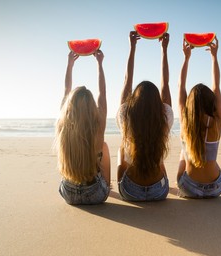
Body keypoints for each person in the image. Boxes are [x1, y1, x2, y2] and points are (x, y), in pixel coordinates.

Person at [117, 31, 173, 202]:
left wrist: (132, 48)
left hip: (130, 191)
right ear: (158, 103)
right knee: (158, 155)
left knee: (121, 150)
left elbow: (127, 81)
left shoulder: (125, 115)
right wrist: (164, 50)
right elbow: (165, 85)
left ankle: (122, 182)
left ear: (133, 100)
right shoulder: (165, 117)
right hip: (159, 192)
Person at [56, 50, 110, 205]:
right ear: (91, 107)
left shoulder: (63, 126)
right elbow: (103, 94)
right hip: (96, 194)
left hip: (68, 194)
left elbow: (66, 91)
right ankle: (106, 185)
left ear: (69, 107)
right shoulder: (98, 127)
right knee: (103, 146)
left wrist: (70, 65)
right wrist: (100, 64)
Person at [177, 37, 221, 198]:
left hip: (189, 188)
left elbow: (181, 86)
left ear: (189, 104)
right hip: (216, 188)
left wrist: (186, 58)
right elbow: (216, 86)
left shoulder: (185, 121)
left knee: (183, 153)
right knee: (211, 159)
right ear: (211, 101)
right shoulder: (217, 121)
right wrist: (214, 56)